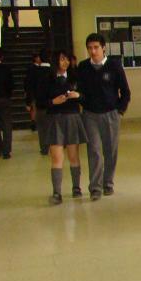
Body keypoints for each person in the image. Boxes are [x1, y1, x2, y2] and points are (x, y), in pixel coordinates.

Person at [77, 33, 131, 200]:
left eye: (96, 48)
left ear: (103, 48)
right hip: (90, 115)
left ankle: (108, 183)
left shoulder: (114, 66)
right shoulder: (83, 67)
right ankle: (95, 188)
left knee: (110, 150)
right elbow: (81, 91)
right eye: (89, 48)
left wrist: (119, 111)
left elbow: (126, 92)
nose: (93, 51)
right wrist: (81, 102)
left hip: (110, 114)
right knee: (94, 151)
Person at [44, 51, 87, 205]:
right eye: (62, 59)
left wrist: (78, 96)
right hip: (55, 119)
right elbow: (42, 101)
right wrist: (53, 102)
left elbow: (84, 96)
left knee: (73, 155)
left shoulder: (75, 77)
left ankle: (76, 187)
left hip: (72, 118)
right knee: (56, 157)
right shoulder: (48, 78)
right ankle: (57, 193)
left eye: (67, 59)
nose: (65, 62)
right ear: (56, 61)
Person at [33, 48, 53, 155]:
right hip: (53, 104)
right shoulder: (53, 72)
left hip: (40, 104)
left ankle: (44, 148)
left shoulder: (34, 72)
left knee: (42, 128)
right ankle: (56, 145)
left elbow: (29, 87)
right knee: (54, 126)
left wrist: (29, 102)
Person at [24, 53, 42, 131]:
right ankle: (34, 123)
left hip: (34, 91)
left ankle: (34, 123)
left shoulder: (33, 68)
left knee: (34, 108)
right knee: (34, 107)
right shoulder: (33, 69)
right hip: (34, 91)